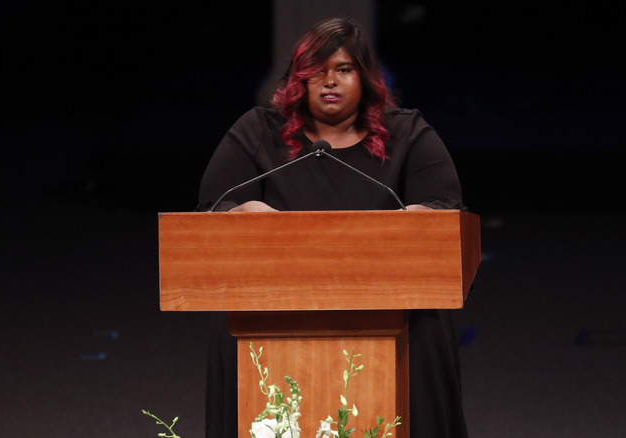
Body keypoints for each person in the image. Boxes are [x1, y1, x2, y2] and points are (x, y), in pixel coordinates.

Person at [196, 17, 469, 438]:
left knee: (428, 320)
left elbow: (447, 212)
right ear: (298, 80)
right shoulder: (258, 131)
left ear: (365, 77)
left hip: (389, 306)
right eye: (316, 72)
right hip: (275, 304)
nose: (330, 82)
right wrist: (239, 212)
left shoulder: (407, 132)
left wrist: (414, 224)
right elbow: (212, 207)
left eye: (343, 69)